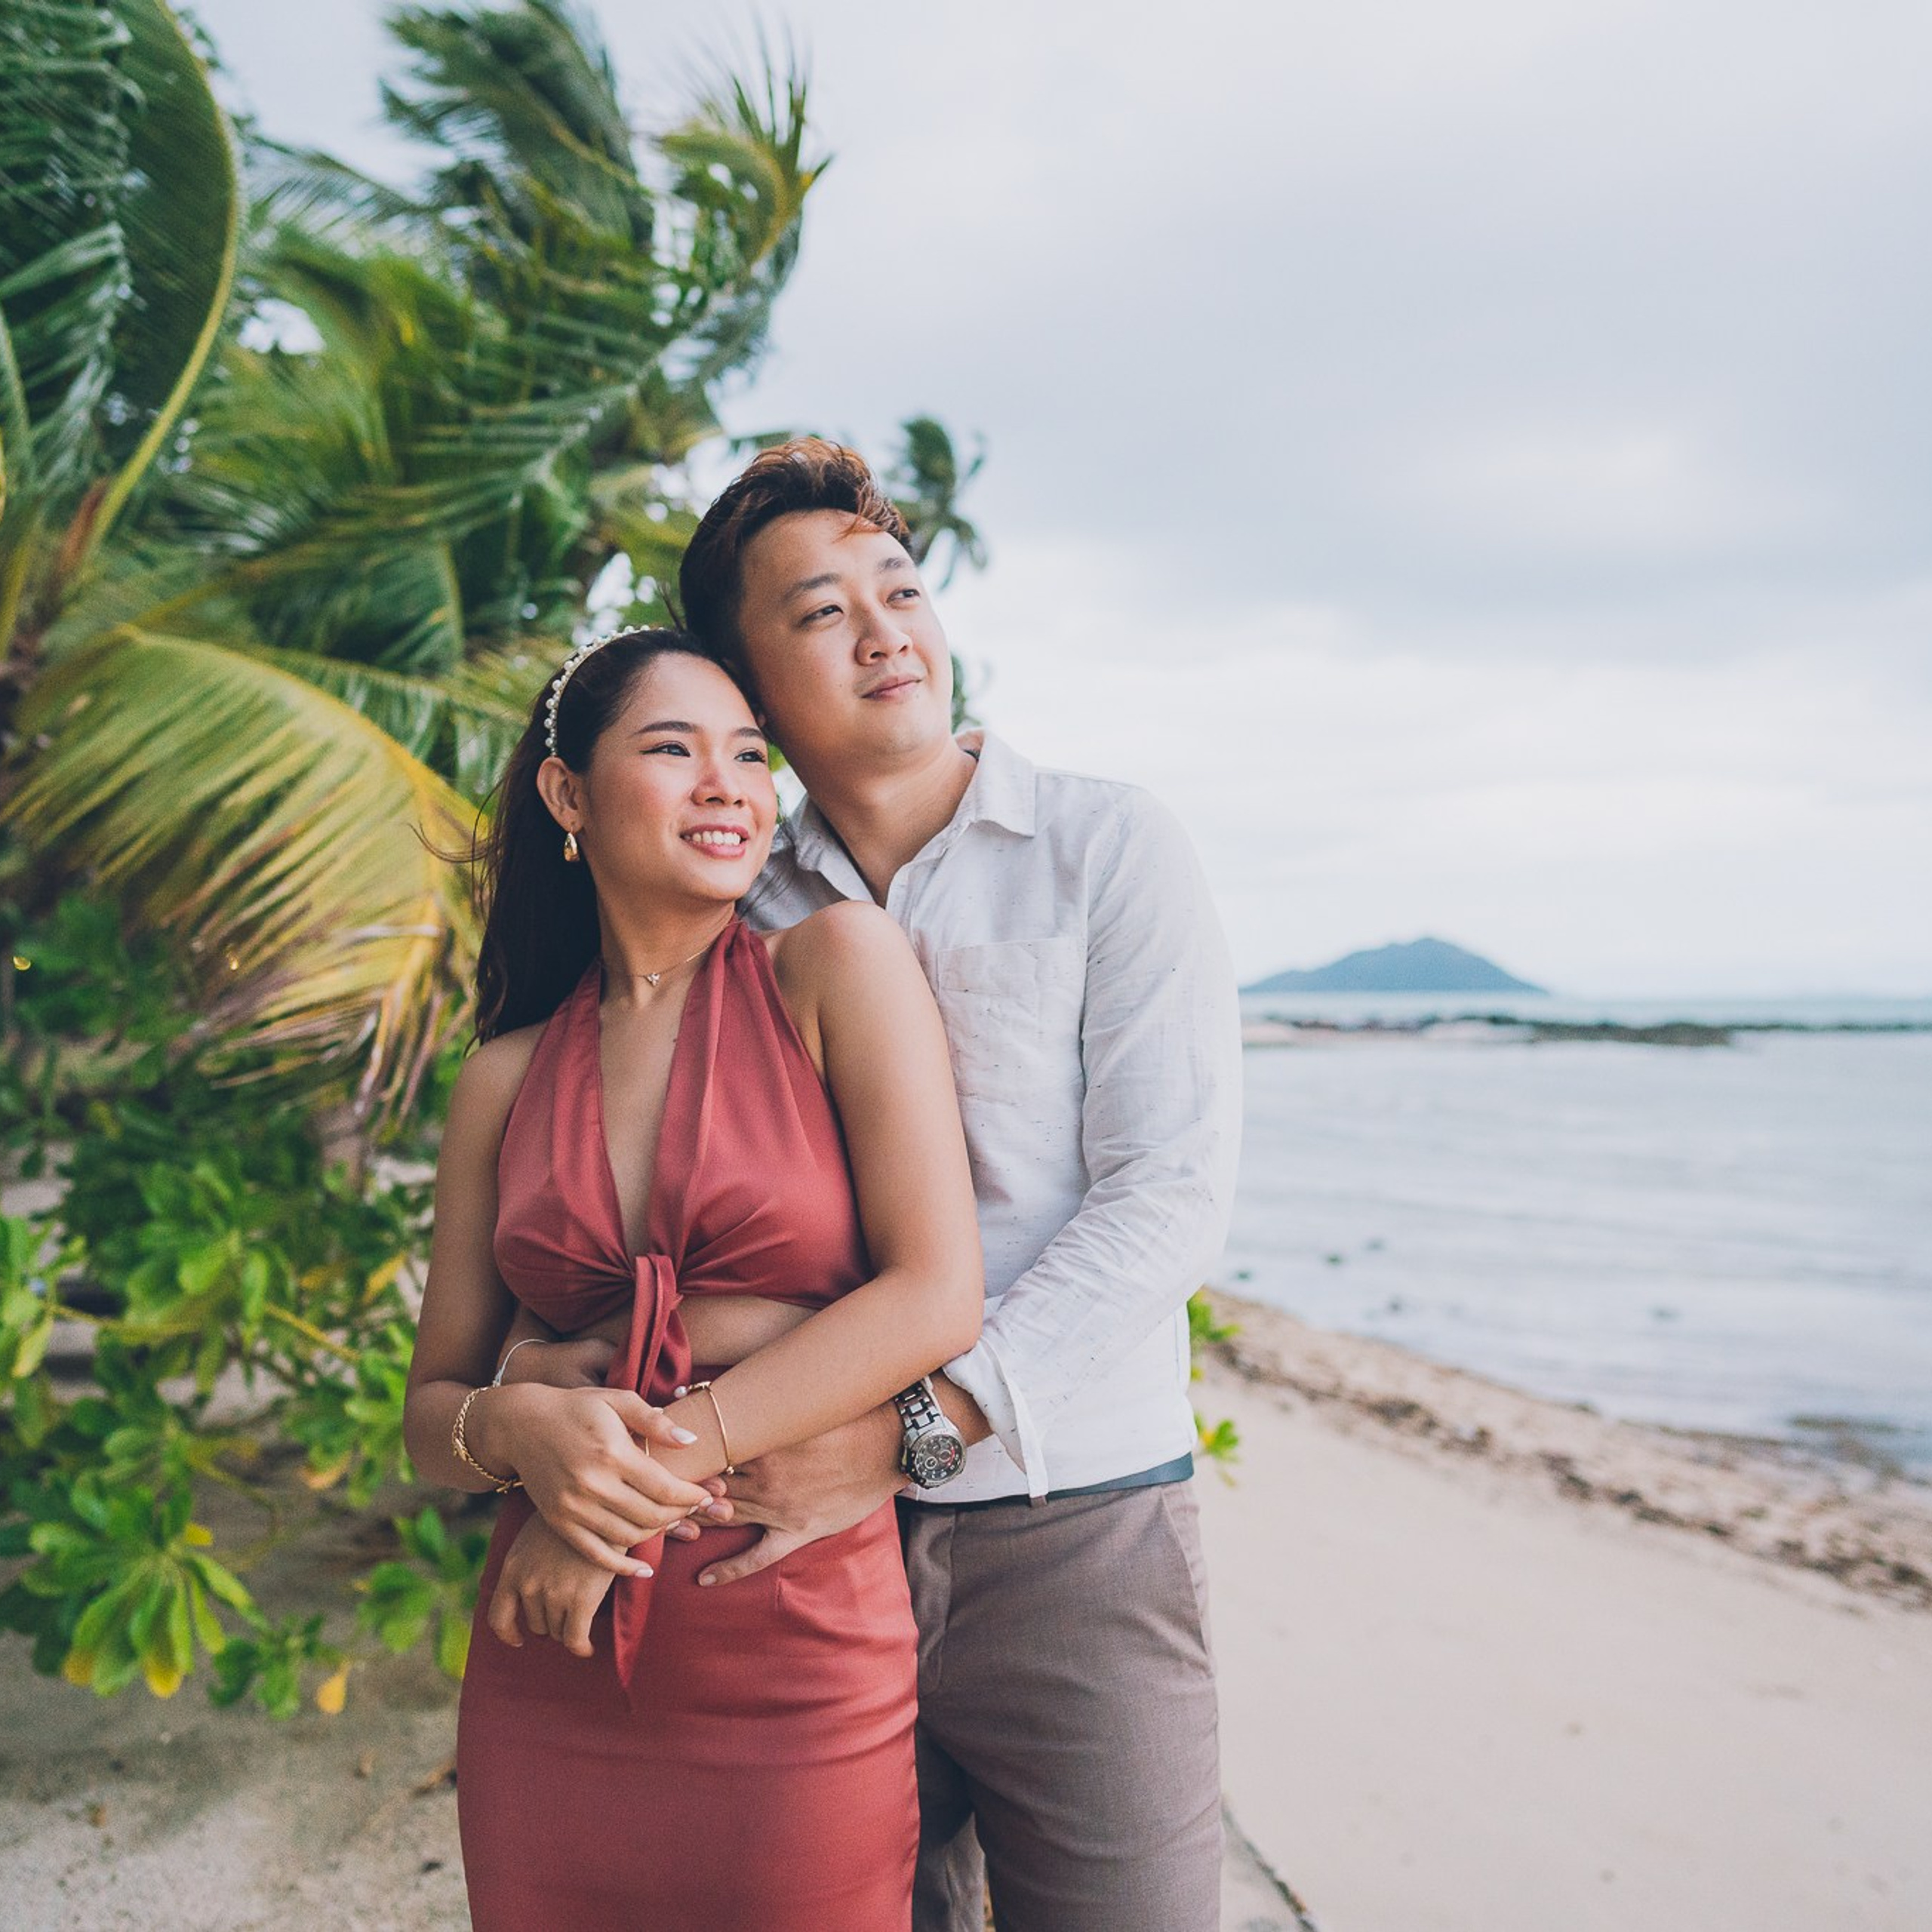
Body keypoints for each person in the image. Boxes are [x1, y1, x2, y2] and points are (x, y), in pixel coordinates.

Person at [670, 439, 1245, 1932]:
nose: (883, 630)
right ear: (744, 679)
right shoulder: (742, 908)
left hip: (1074, 1524)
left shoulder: (1105, 848)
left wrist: (906, 1432)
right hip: (801, 1539)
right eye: (817, 610)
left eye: (901, 587)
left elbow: (1163, 1200)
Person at [402, 627, 983, 1931]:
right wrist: (510, 1425)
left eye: (750, 755)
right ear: (569, 797)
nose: (728, 783)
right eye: (673, 750)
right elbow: (428, 1418)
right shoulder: (501, 1078)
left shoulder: (836, 965)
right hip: (546, 1668)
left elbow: (936, 1296)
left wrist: (605, 1496)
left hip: (798, 1647)